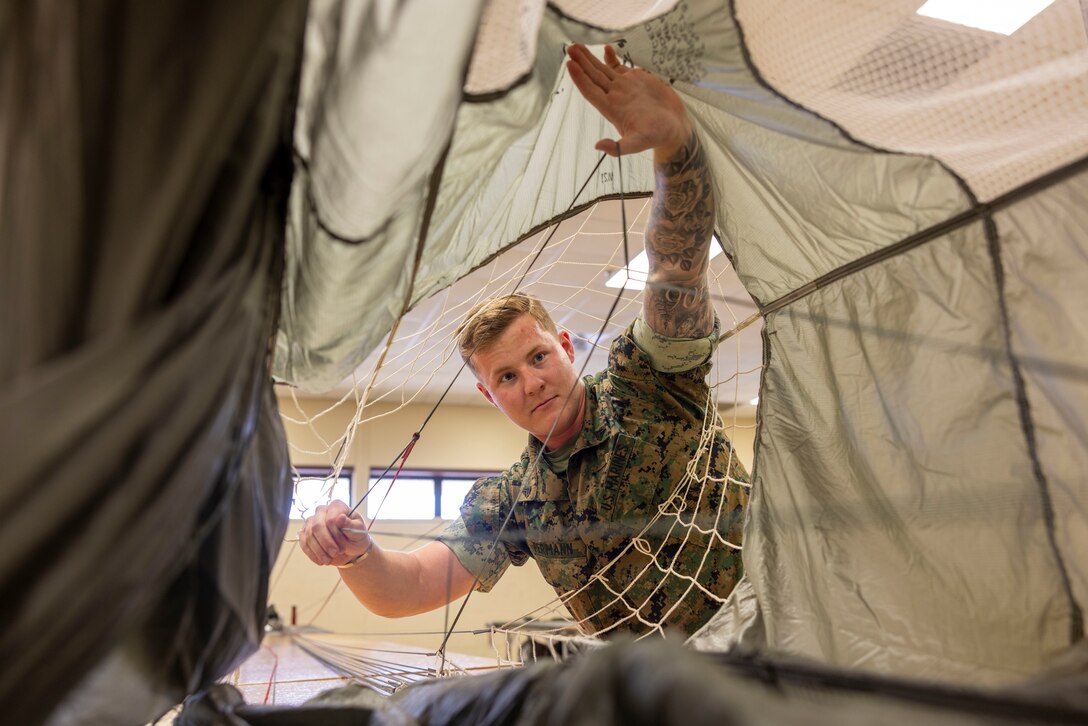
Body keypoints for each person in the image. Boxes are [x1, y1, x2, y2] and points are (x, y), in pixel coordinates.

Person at [300, 43, 750, 635]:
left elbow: (677, 268)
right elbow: (405, 587)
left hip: (778, 647)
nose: (531, 382)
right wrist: (353, 553)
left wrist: (675, 148)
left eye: (537, 357)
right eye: (506, 377)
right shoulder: (514, 501)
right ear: (490, 395)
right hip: (655, 694)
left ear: (565, 346)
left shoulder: (647, 386)